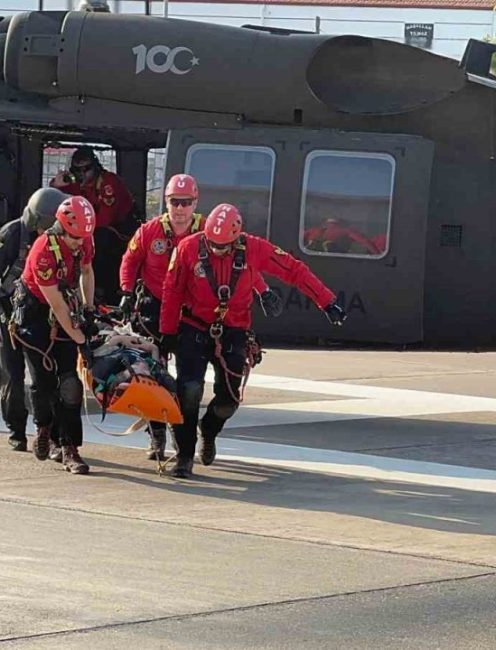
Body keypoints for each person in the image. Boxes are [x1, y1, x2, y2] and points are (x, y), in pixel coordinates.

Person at [160, 203, 347, 478]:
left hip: (234, 330)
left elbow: (294, 270)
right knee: (188, 391)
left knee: (229, 401)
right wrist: (166, 334)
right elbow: (172, 290)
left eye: (223, 247)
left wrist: (327, 302)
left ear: (236, 239)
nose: (216, 250)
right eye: (212, 244)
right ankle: (184, 456)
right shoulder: (188, 248)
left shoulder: (254, 249)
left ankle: (208, 430)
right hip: (194, 326)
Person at [118, 173, 281, 461]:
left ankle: (205, 431)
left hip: (197, 314)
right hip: (156, 308)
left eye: (186, 202)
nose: (179, 209)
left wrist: (263, 290)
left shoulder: (211, 230)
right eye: (173, 202)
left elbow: (241, 268)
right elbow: (129, 262)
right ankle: (156, 433)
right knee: (151, 376)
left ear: (195, 203)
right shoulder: (149, 232)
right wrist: (127, 291)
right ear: (166, 202)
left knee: (197, 387)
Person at [0, 187, 69, 452]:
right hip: (9, 312)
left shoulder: (63, 239)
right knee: (10, 375)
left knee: (46, 378)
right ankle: (16, 429)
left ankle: (50, 433)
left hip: (42, 314)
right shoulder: (12, 234)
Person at [16, 195, 98, 475]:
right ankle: (43, 427)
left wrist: (88, 308)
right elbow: (57, 306)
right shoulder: (43, 251)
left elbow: (86, 271)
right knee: (43, 382)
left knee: (70, 385)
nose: (79, 242)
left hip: (65, 301)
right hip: (36, 312)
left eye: (84, 237)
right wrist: (81, 340)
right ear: (61, 227)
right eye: (74, 237)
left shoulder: (84, 239)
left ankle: (70, 448)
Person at [51, 146, 134, 304]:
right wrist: (57, 185)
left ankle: (103, 291)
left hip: (120, 235)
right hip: (98, 231)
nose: (82, 173)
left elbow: (105, 220)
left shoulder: (108, 183)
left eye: (86, 169)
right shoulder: (82, 185)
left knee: (98, 239)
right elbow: (60, 198)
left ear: (95, 167)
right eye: (77, 170)